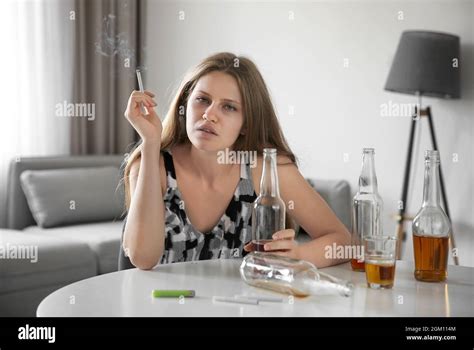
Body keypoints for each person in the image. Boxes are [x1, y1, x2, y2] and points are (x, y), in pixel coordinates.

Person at [121, 52, 350, 270]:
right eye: (202, 99)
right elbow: (142, 257)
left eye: (228, 107)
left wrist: (298, 256)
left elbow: (344, 243)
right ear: (185, 105)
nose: (209, 114)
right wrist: (150, 144)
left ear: (247, 124)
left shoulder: (265, 169)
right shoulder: (151, 164)